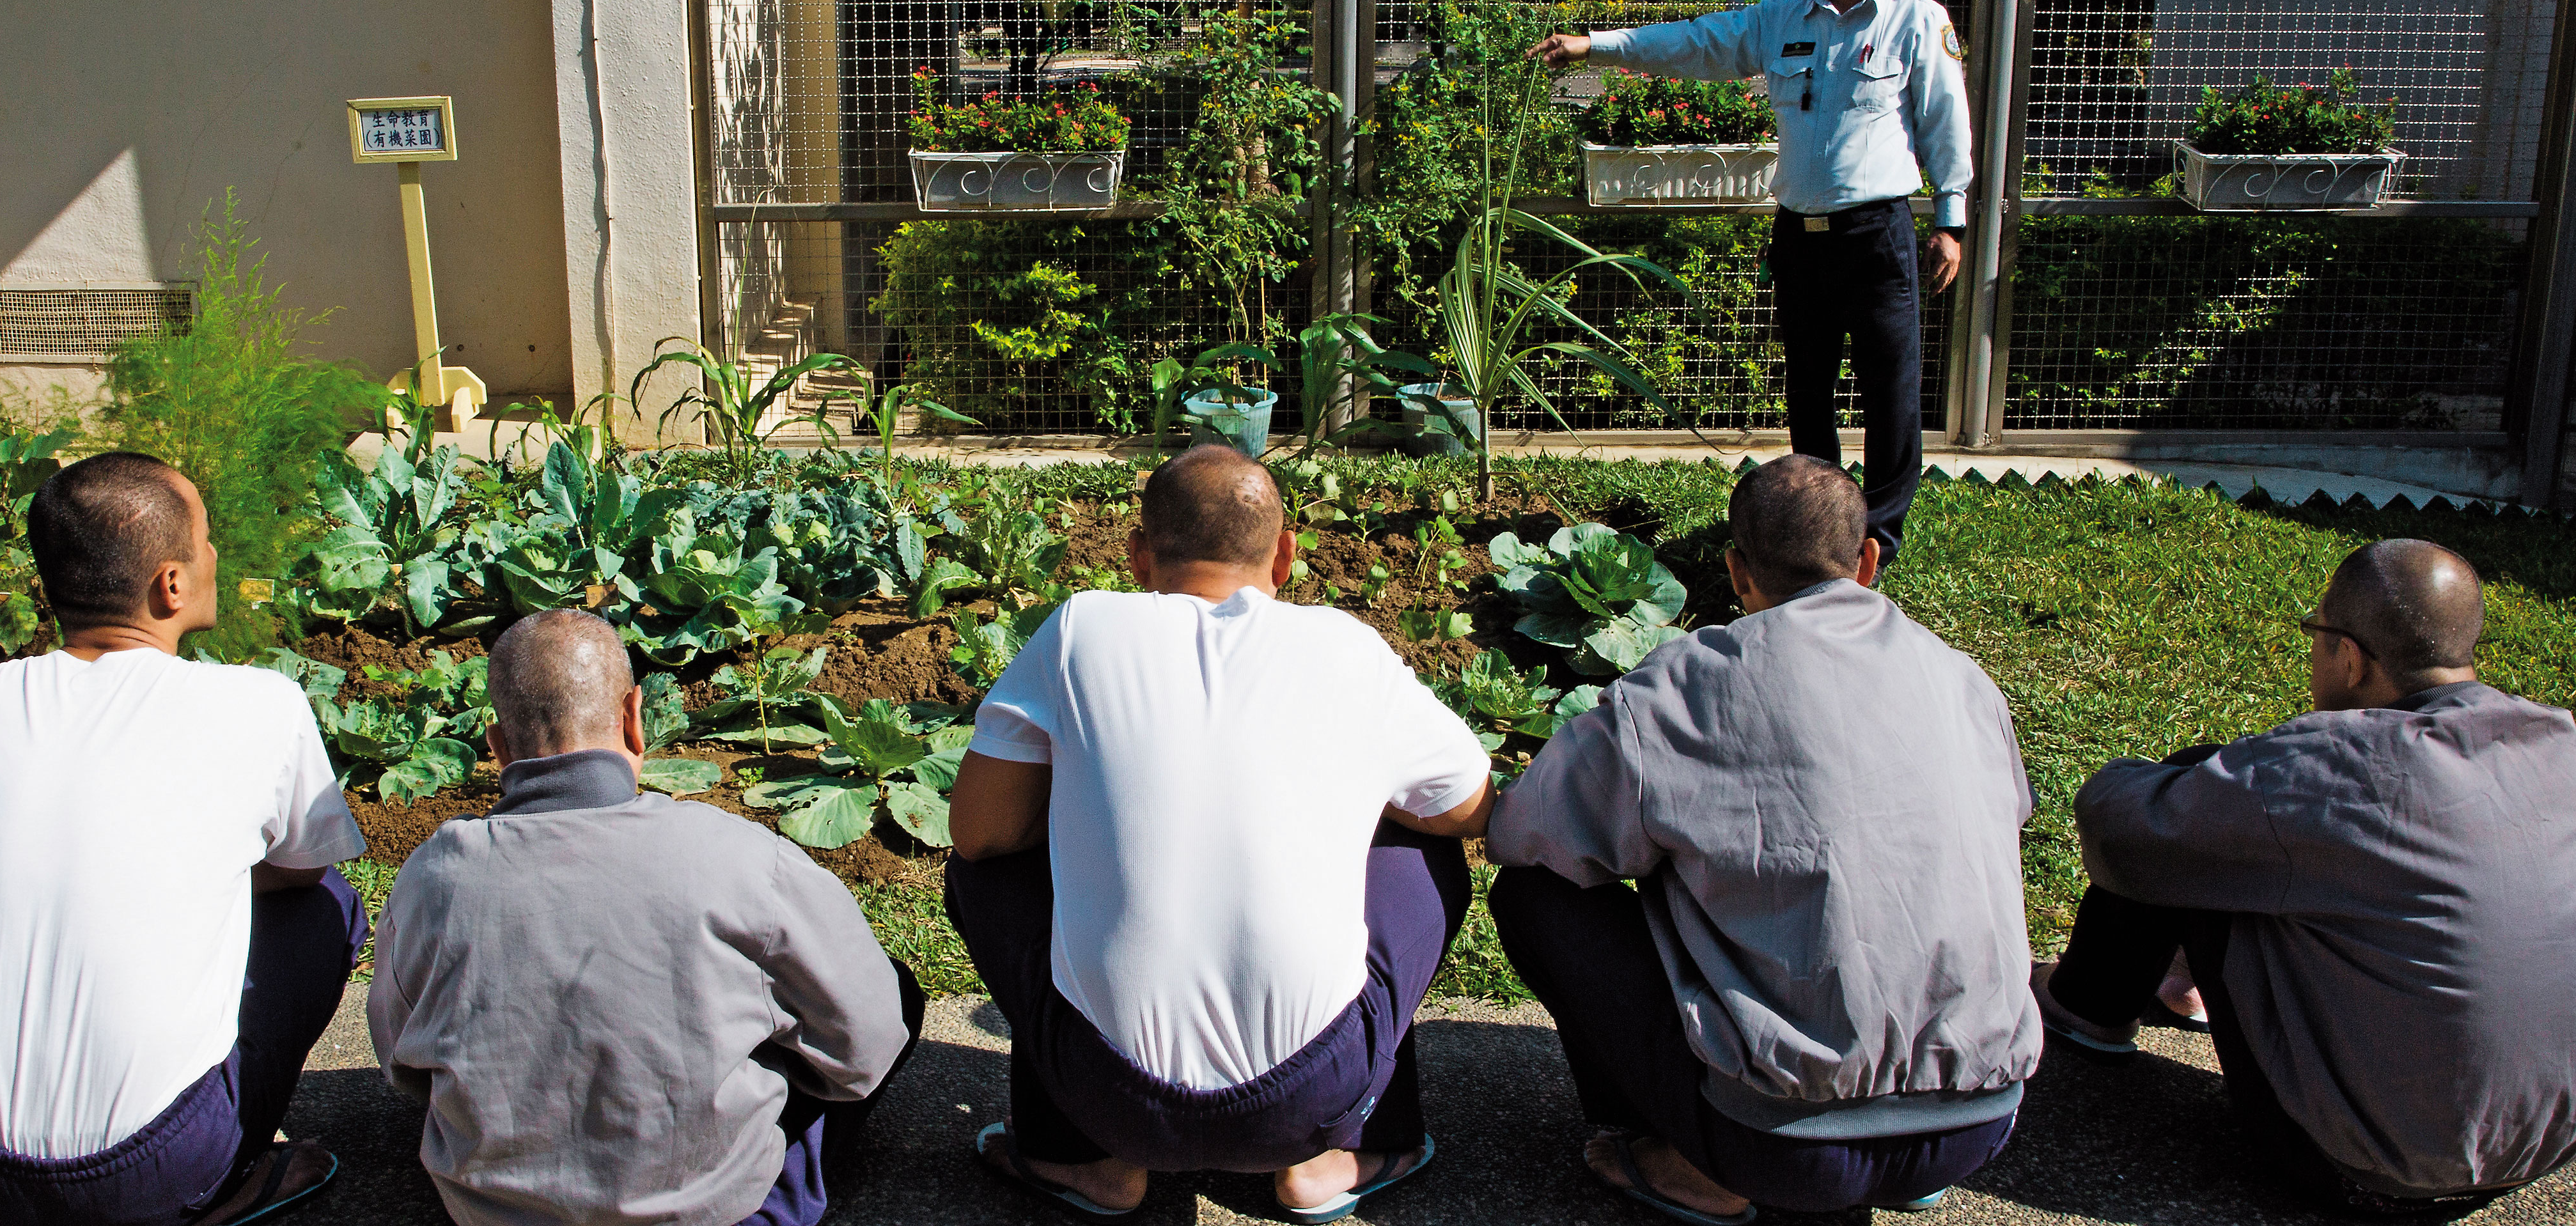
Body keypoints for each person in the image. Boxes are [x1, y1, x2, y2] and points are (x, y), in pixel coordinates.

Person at [944, 444, 1493, 1223]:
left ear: (1137, 556)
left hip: (1108, 1097)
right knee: (1425, 848)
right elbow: (1468, 809)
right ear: (1287, 555)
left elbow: (980, 835)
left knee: (985, 871)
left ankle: (1082, 1159)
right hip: (1305, 1100)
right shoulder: (1345, 648)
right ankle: (1336, 1157)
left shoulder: (1081, 629)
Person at [1488, 454, 2038, 1223]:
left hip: (1779, 1146)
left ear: (1736, 572)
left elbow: (1528, 836)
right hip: (1980, 1126)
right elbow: (2010, 818)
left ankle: (1691, 1163)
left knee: (1536, 897)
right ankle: (1907, 1166)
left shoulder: (1682, 684)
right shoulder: (1965, 681)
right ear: (1868, 560)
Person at [0, 451, 366, 1226]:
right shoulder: (258, 704)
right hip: (139, 1172)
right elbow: (300, 871)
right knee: (326, 912)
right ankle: (232, 1176)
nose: (216, 555)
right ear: (170, 584)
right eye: (205, 539)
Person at [2036, 540, 2576, 1211]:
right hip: (2536, 1156)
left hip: (2362, 1175)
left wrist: (2143, 777)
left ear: (2348, 658)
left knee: (2194, 809)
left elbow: (2118, 823)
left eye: (2315, 636)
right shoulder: (2560, 742)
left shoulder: (2345, 765)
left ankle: (2086, 1009)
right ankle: (2184, 978)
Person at [367, 608, 922, 1226]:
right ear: (635, 717)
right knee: (894, 989)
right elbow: (866, 1048)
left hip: (492, 1212)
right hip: (724, 1212)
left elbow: (403, 1065)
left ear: (496, 747)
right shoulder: (739, 857)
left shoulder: (430, 877)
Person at [1528, 0, 1972, 565]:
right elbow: (1697, 41)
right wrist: (1600, 46)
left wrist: (1951, 221)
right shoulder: (1781, 19)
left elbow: (1945, 122)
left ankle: (1879, 536)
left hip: (1877, 235)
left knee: (1891, 390)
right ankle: (1819, 529)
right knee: (1808, 386)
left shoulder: (1915, 21)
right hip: (1800, 235)